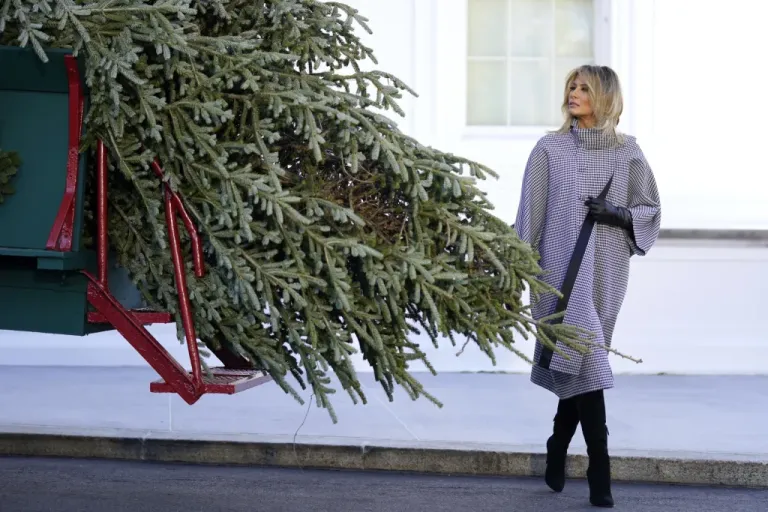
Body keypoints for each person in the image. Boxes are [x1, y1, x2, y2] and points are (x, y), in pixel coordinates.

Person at [514, 65, 661, 508]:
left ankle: (558, 443)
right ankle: (601, 467)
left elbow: (650, 209)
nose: (573, 94)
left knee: (579, 364)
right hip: (556, 276)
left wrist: (617, 214)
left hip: (606, 271)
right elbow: (529, 216)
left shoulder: (628, 153)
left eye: (584, 88)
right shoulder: (549, 150)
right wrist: (515, 271)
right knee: (590, 360)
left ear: (605, 97)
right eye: (571, 87)